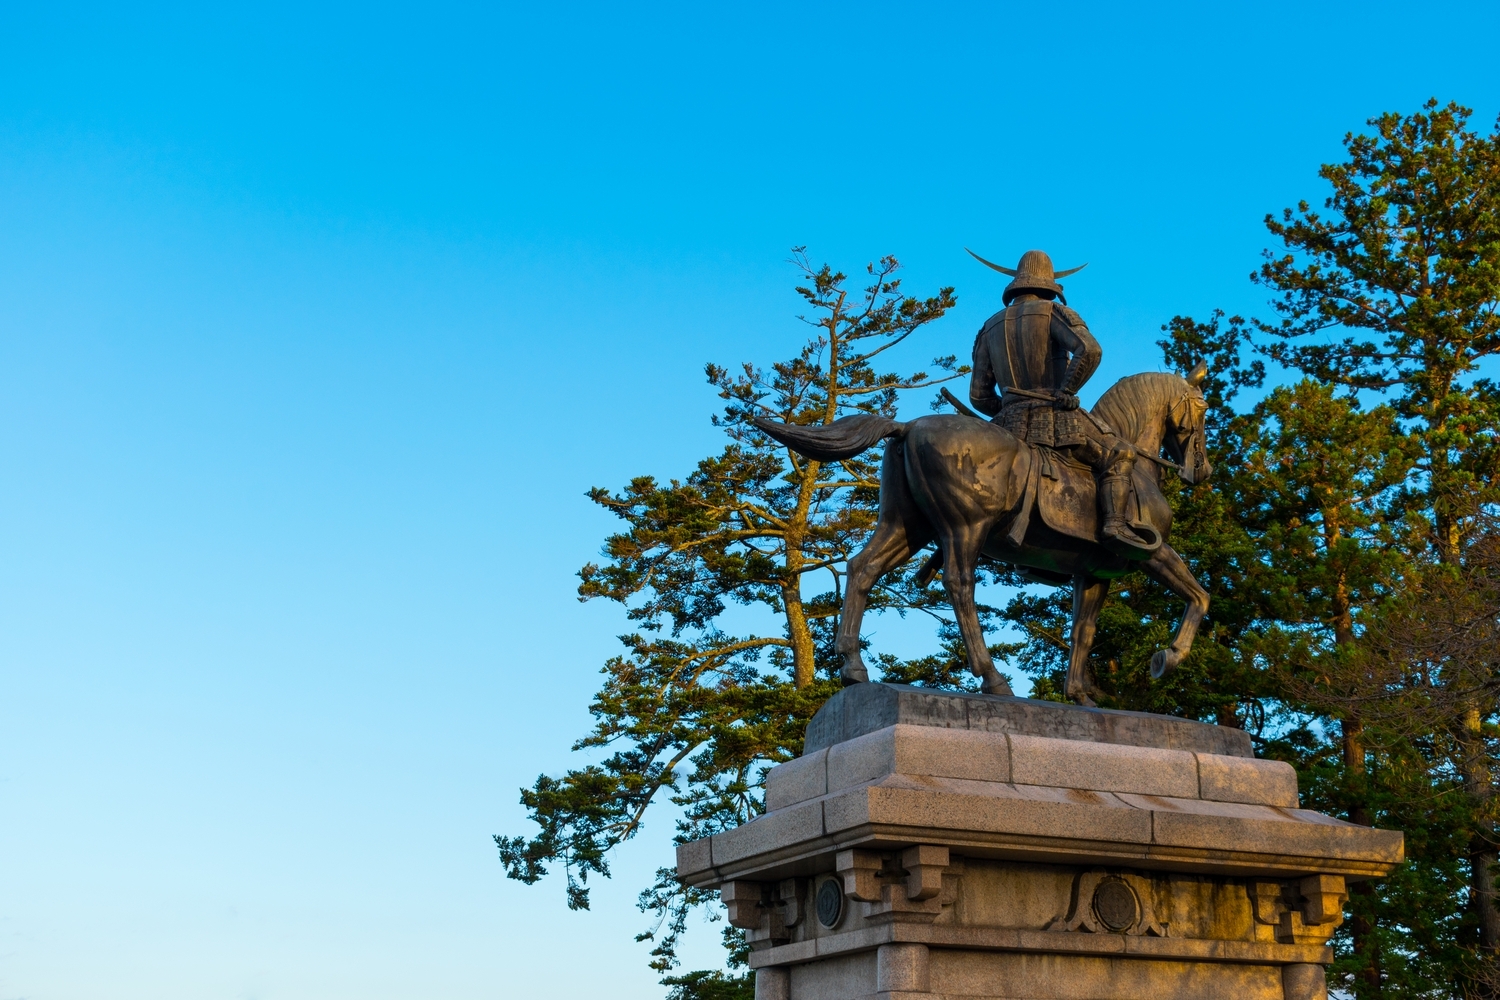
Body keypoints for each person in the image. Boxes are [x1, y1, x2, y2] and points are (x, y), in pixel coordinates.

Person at [966, 248, 1154, 554]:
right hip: (1053, 418)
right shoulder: (1055, 313)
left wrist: (1008, 406)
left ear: (1016, 284)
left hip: (1006, 426)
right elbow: (1090, 350)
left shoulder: (988, 328)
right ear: (1049, 284)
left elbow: (978, 396)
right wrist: (1067, 391)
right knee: (1120, 452)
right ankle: (1114, 525)